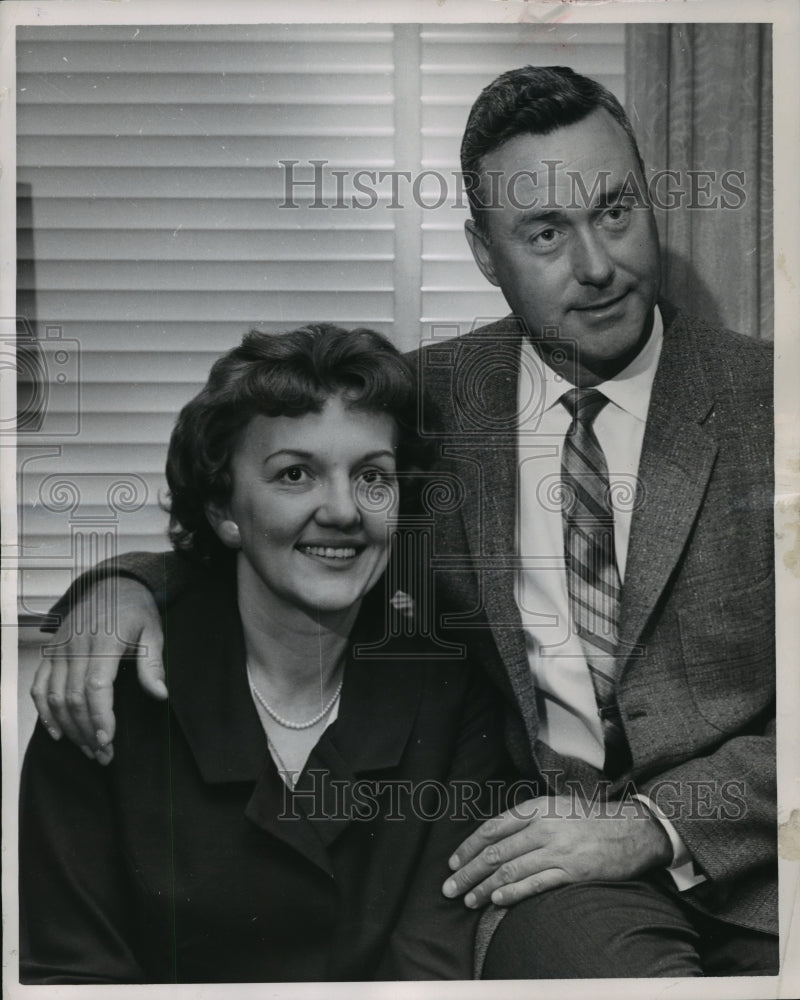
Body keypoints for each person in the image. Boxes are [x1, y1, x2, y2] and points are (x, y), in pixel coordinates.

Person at [31, 66, 777, 978]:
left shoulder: (769, 404)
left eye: (615, 212)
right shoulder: (425, 406)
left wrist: (653, 823)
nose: (596, 265)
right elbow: (286, 522)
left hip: (767, 847)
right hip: (551, 880)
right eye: (545, 232)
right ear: (481, 250)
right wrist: (120, 588)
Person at [19, 324, 506, 983]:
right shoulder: (104, 692)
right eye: (295, 474)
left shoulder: (453, 695)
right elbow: (71, 979)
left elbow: (429, 970)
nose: (342, 510)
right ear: (225, 506)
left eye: (372, 477)